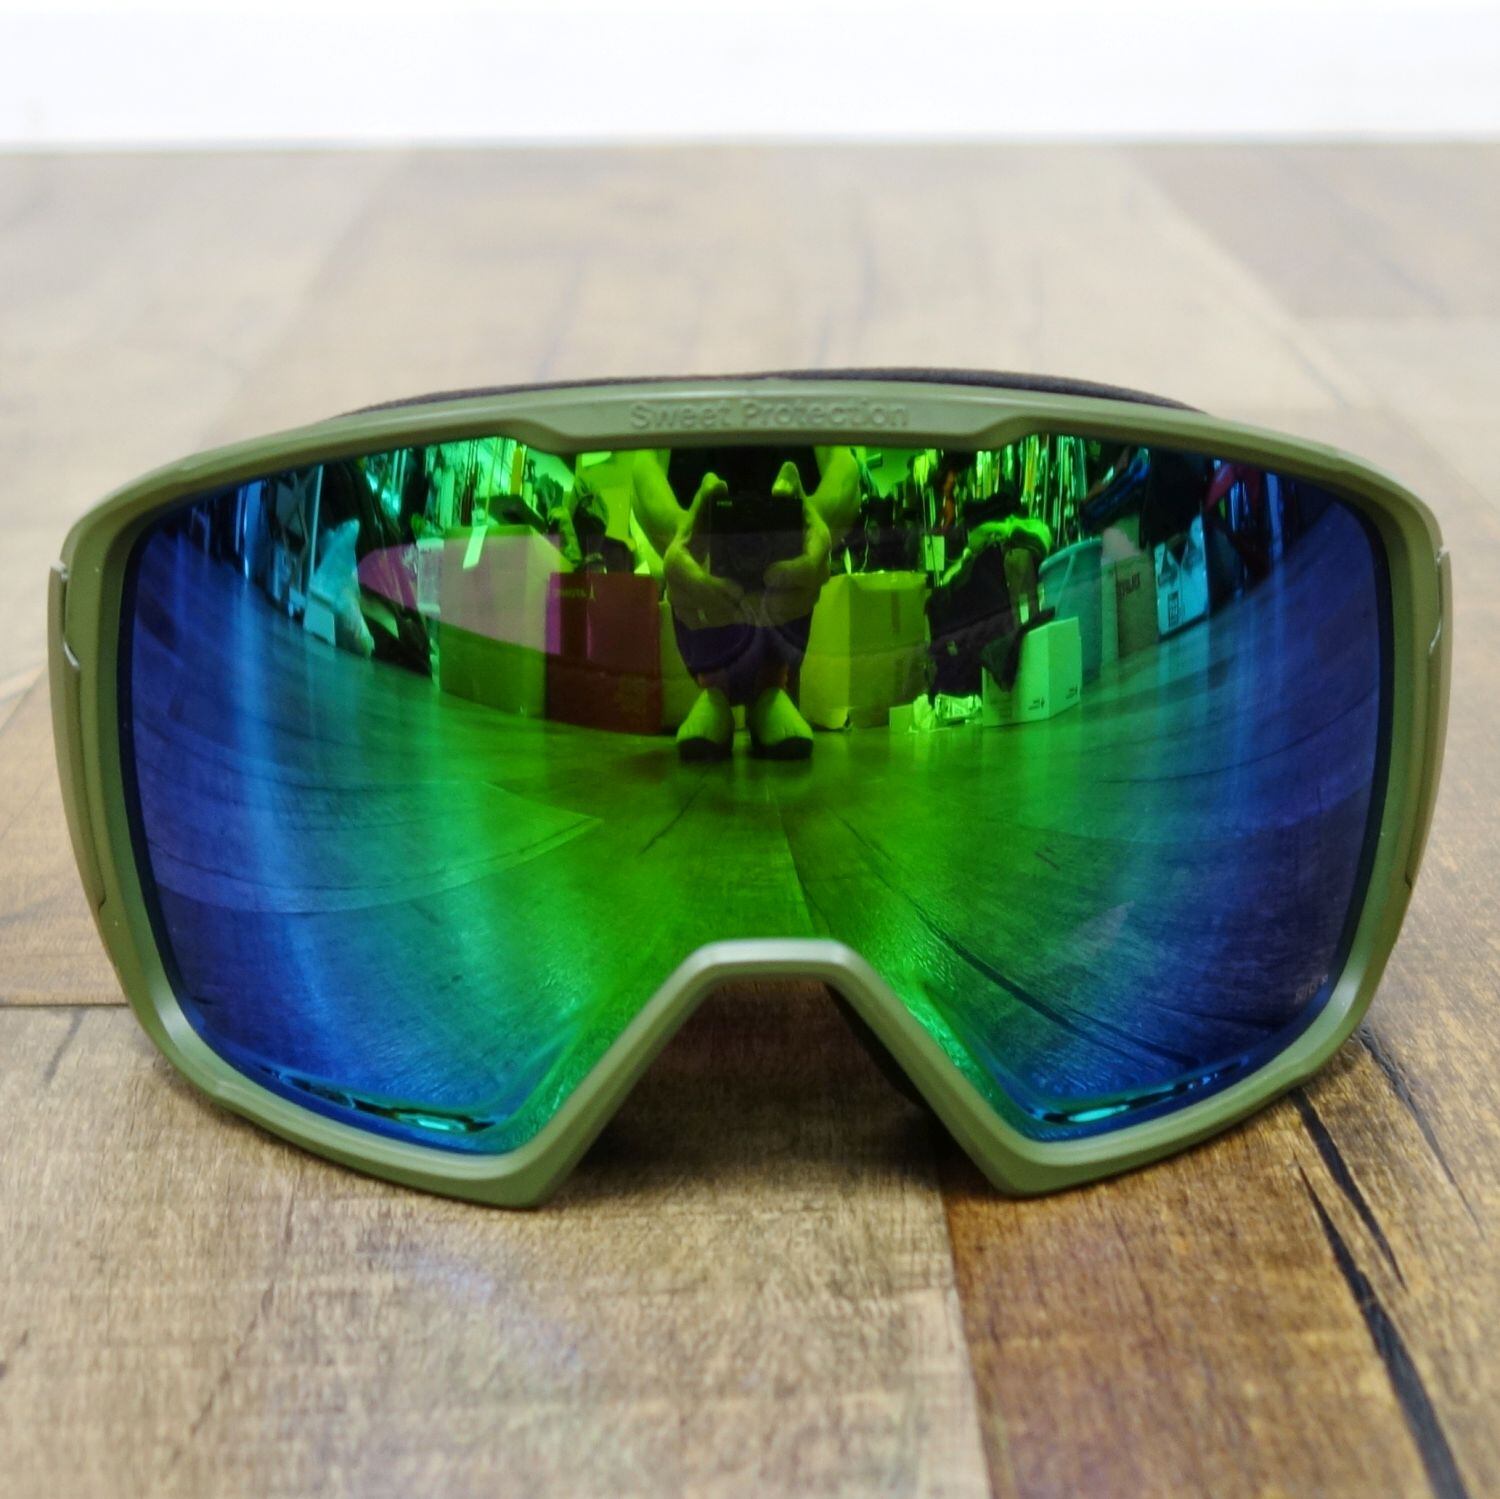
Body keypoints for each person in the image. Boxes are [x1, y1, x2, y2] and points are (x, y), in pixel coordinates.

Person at [631, 446, 861, 760]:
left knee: (780, 579)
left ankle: (771, 685)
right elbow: (646, 463)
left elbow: (842, 462)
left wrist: (811, 524)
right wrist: (681, 532)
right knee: (709, 586)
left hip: (783, 559)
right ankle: (715, 688)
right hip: (701, 522)